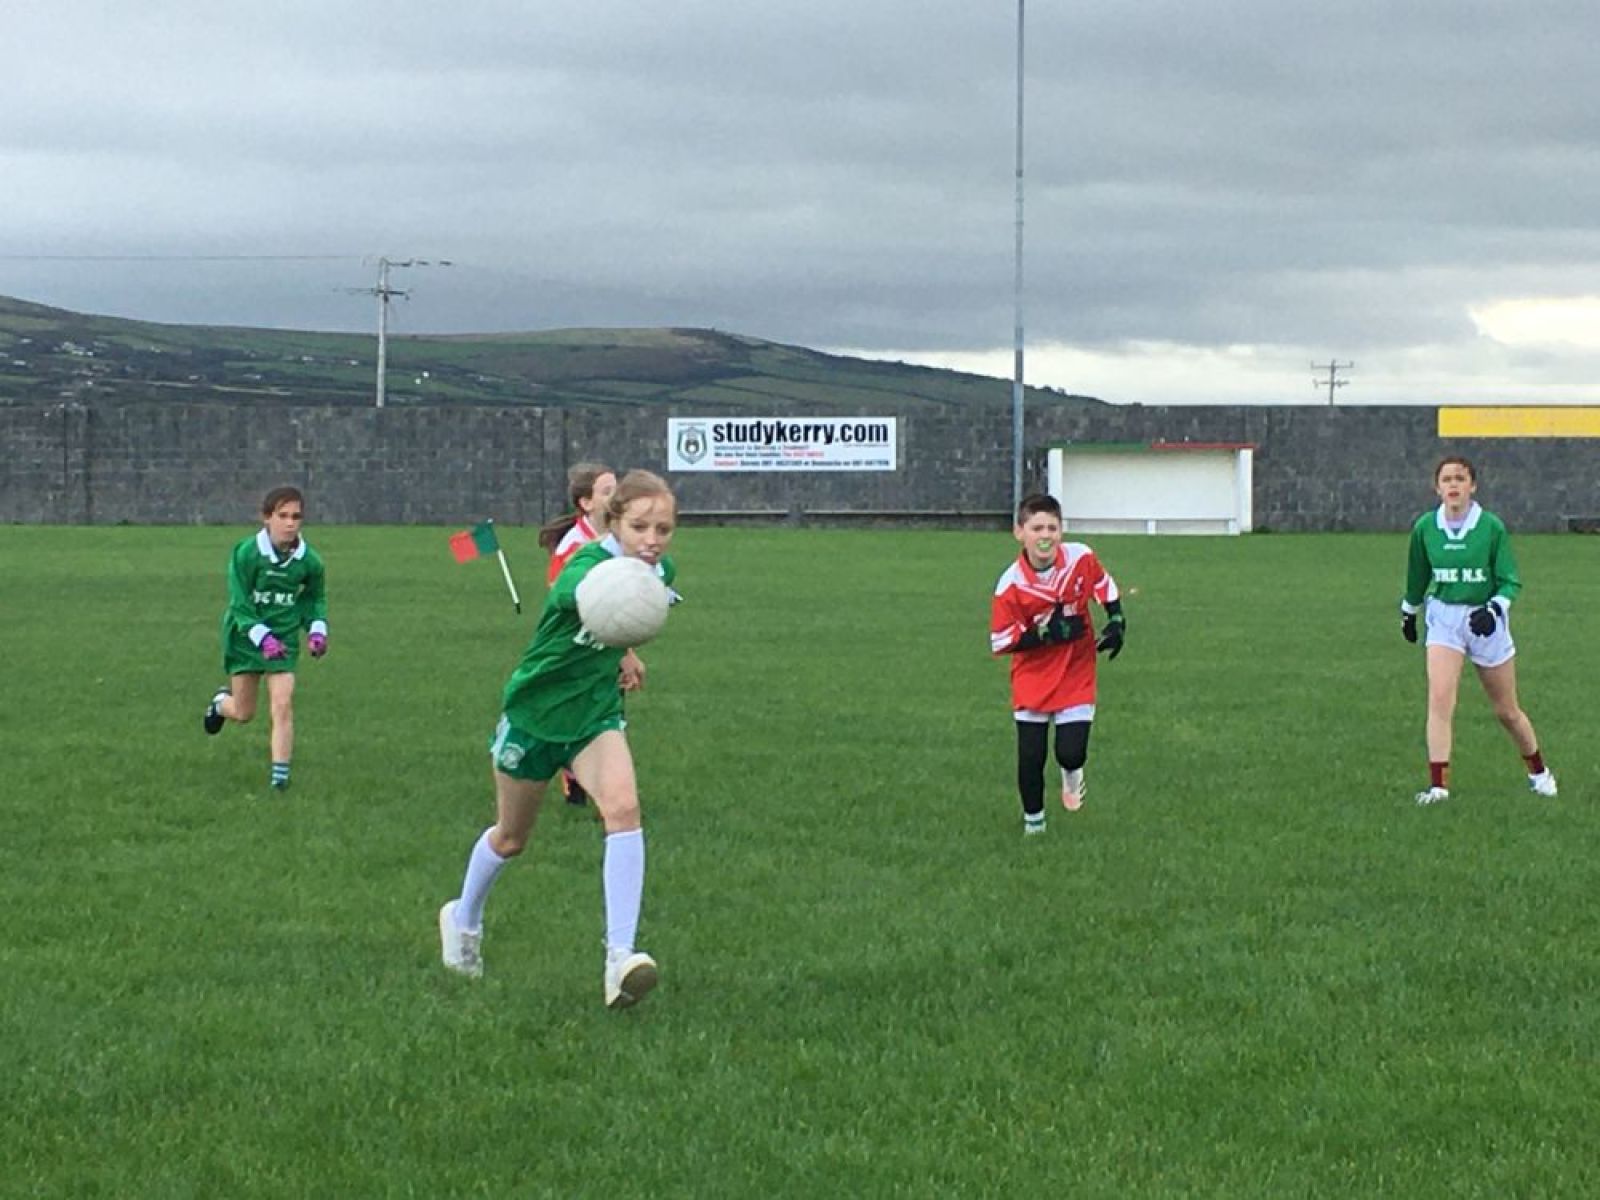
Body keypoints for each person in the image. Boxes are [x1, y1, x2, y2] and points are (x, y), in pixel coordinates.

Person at [439, 469, 678, 1009]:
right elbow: (586, 597)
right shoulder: (586, 569)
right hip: (535, 714)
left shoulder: (660, 571)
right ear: (614, 522)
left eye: (663, 529)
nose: (652, 540)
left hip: (593, 716)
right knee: (511, 838)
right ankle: (463, 918)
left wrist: (626, 652)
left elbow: (628, 614)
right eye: (640, 527)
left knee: (623, 809)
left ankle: (620, 959)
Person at [1400, 456, 1557, 805]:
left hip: (1485, 622)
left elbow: (1510, 581)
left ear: (1473, 485)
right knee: (1440, 700)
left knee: (1507, 711)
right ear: (1436, 487)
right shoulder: (1426, 527)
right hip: (1444, 619)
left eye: (1460, 478)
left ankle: (1539, 773)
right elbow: (1417, 575)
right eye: (1446, 479)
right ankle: (1438, 787)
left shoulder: (1491, 527)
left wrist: (1493, 609)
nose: (1453, 485)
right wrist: (1409, 611)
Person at [990, 493, 1126, 836]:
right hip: (1033, 675)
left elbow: (1104, 587)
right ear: (1019, 532)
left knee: (1070, 752)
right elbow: (1002, 640)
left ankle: (1072, 773)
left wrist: (1116, 621)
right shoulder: (1010, 585)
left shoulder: (1081, 557)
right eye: (1037, 528)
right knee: (1031, 756)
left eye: (1052, 527)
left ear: (1061, 531)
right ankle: (1034, 827)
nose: (1045, 535)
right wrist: (1046, 634)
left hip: (1076, 669)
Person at [202, 486, 329, 792]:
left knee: (282, 704)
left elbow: (314, 599)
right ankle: (220, 705)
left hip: (283, 641)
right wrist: (262, 638)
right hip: (245, 639)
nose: (290, 523)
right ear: (267, 518)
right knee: (244, 713)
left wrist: (316, 630)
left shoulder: (310, 561)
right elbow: (240, 603)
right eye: (282, 516)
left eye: (296, 517)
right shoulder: (247, 553)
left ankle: (279, 781)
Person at [537, 462, 618, 807]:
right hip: (574, 646)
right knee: (581, 713)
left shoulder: (616, 539)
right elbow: (564, 599)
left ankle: (600, 789)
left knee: (604, 711)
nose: (617, 496)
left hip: (604, 641)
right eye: (607, 491)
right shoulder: (574, 547)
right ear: (586, 503)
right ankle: (578, 784)